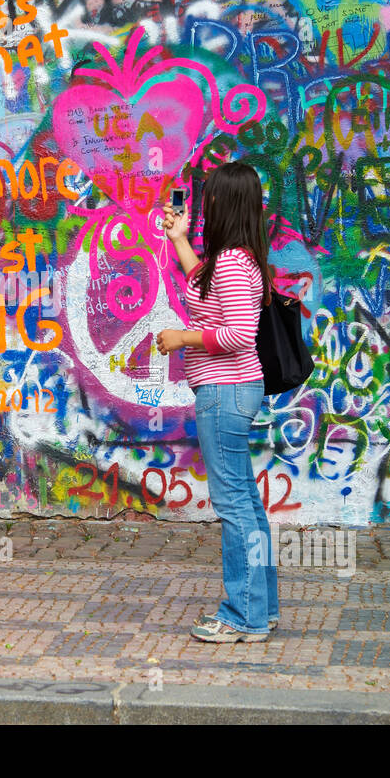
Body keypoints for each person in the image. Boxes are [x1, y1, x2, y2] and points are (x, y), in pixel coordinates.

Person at [156, 161, 277, 643]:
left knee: (234, 508)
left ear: (223, 204)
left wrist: (181, 337)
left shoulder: (230, 261)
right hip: (234, 393)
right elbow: (206, 290)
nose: (203, 207)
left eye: (209, 200)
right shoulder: (240, 259)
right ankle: (260, 610)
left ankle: (241, 616)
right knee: (247, 503)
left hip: (224, 394)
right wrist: (179, 238)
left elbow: (238, 334)